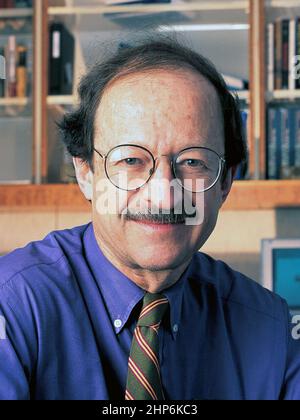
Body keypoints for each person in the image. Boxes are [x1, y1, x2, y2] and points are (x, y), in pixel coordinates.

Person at [0, 36, 299, 401]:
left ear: (225, 182)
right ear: (86, 174)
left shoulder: (271, 328)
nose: (163, 194)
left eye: (192, 161)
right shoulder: (12, 305)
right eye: (130, 160)